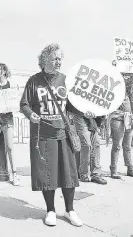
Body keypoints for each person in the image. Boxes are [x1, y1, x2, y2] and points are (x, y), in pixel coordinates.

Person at [20, 43, 95, 227]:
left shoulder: (65, 80)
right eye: (55, 58)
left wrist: (86, 111)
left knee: (68, 174)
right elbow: (24, 104)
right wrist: (31, 114)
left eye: (60, 58)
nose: (59, 61)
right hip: (43, 135)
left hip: (63, 134)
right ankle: (50, 210)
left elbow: (72, 105)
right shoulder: (34, 81)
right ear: (45, 59)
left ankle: (70, 210)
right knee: (48, 175)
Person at [109, 92, 133, 179]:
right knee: (117, 146)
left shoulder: (127, 92)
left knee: (127, 146)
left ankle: (130, 168)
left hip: (128, 118)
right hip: (117, 118)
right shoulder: (113, 91)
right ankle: (114, 170)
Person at [73, 115, 107, 184]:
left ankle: (96, 174)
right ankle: (83, 174)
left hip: (93, 118)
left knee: (96, 144)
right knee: (86, 145)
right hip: (80, 115)